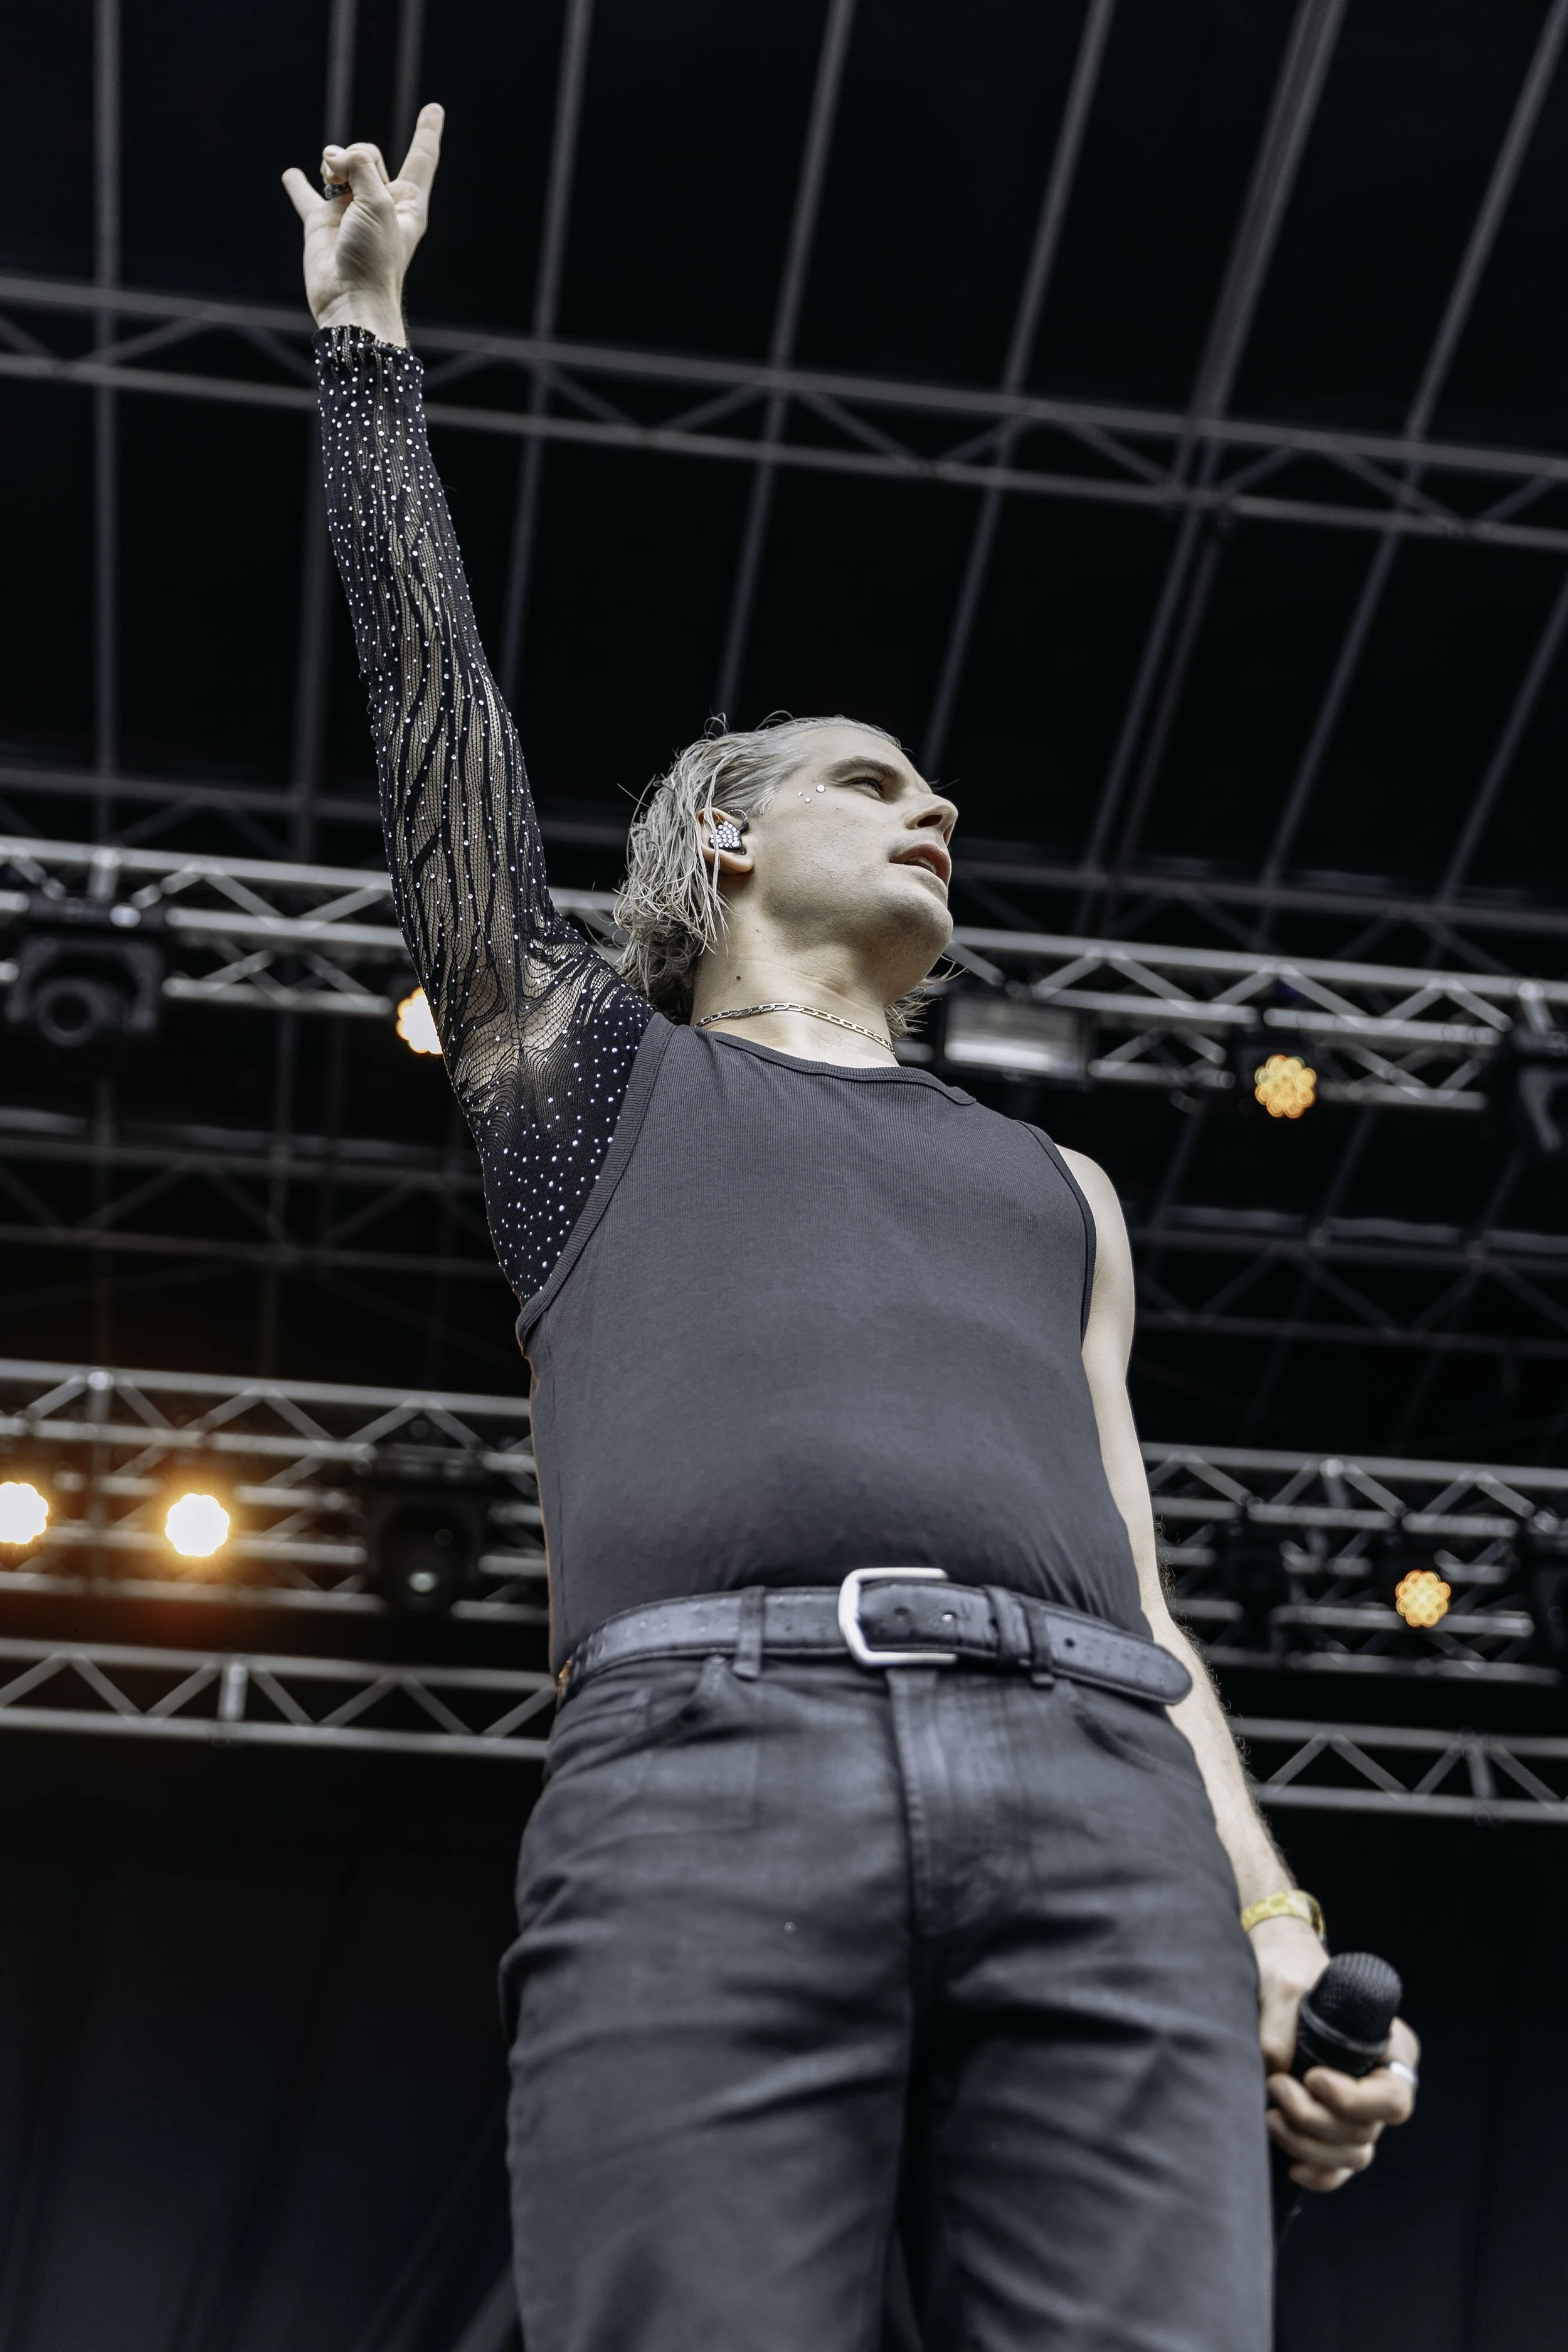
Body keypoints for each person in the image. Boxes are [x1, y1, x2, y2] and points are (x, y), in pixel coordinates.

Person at [283, 104, 1417, 2352]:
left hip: (1099, 1788)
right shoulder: (582, 1074)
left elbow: (1139, 1572)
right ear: (718, 844)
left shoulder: (1056, 1184)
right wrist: (363, 357)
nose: (938, 811)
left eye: (933, 796)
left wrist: (1270, 1921)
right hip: (709, 1769)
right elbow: (441, 744)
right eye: (872, 780)